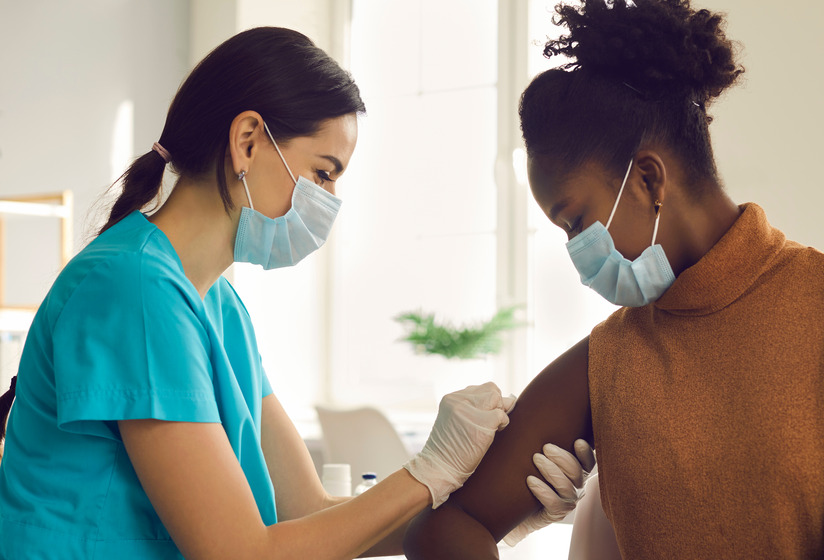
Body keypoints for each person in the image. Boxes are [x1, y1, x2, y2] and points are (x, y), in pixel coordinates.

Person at [0, 27, 595, 559]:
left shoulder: (217, 307)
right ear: (249, 141)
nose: (330, 201)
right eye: (324, 172)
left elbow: (304, 515)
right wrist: (429, 471)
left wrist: (489, 514)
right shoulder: (132, 288)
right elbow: (240, 552)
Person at [402, 1, 824, 559]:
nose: (575, 252)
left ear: (647, 178)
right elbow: (446, 528)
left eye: (577, 222)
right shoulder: (611, 356)